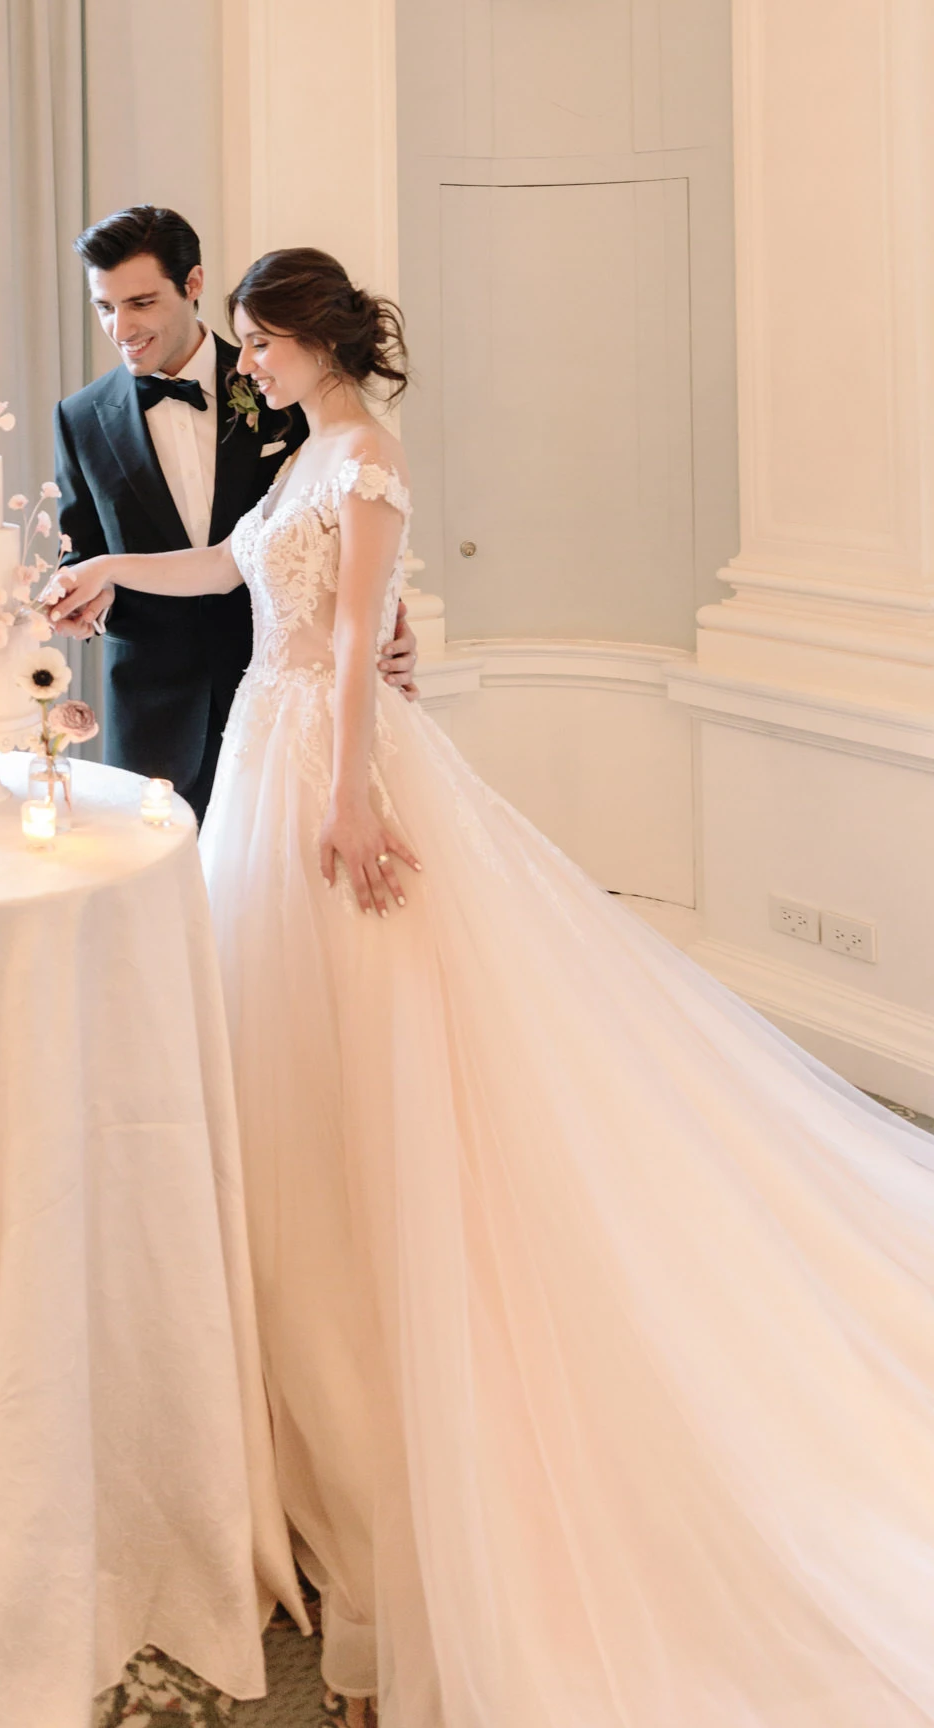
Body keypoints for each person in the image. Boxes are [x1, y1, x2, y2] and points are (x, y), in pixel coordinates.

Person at [48, 245, 934, 1728]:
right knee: (268, 1051)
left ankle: (372, 1369)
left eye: (260, 343)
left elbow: (352, 640)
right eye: (243, 345)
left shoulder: (366, 461)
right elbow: (227, 571)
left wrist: (347, 796)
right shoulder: (305, 454)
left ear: (315, 339)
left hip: (319, 763)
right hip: (269, 754)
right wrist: (108, 569)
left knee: (361, 1050)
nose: (245, 364)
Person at [54, 205, 416, 819]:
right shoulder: (80, 418)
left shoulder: (288, 388)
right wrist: (90, 585)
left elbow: (356, 546)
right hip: (155, 714)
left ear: (192, 283)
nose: (121, 327)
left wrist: (392, 632)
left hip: (298, 718)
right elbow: (103, 553)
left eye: (141, 303)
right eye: (104, 307)